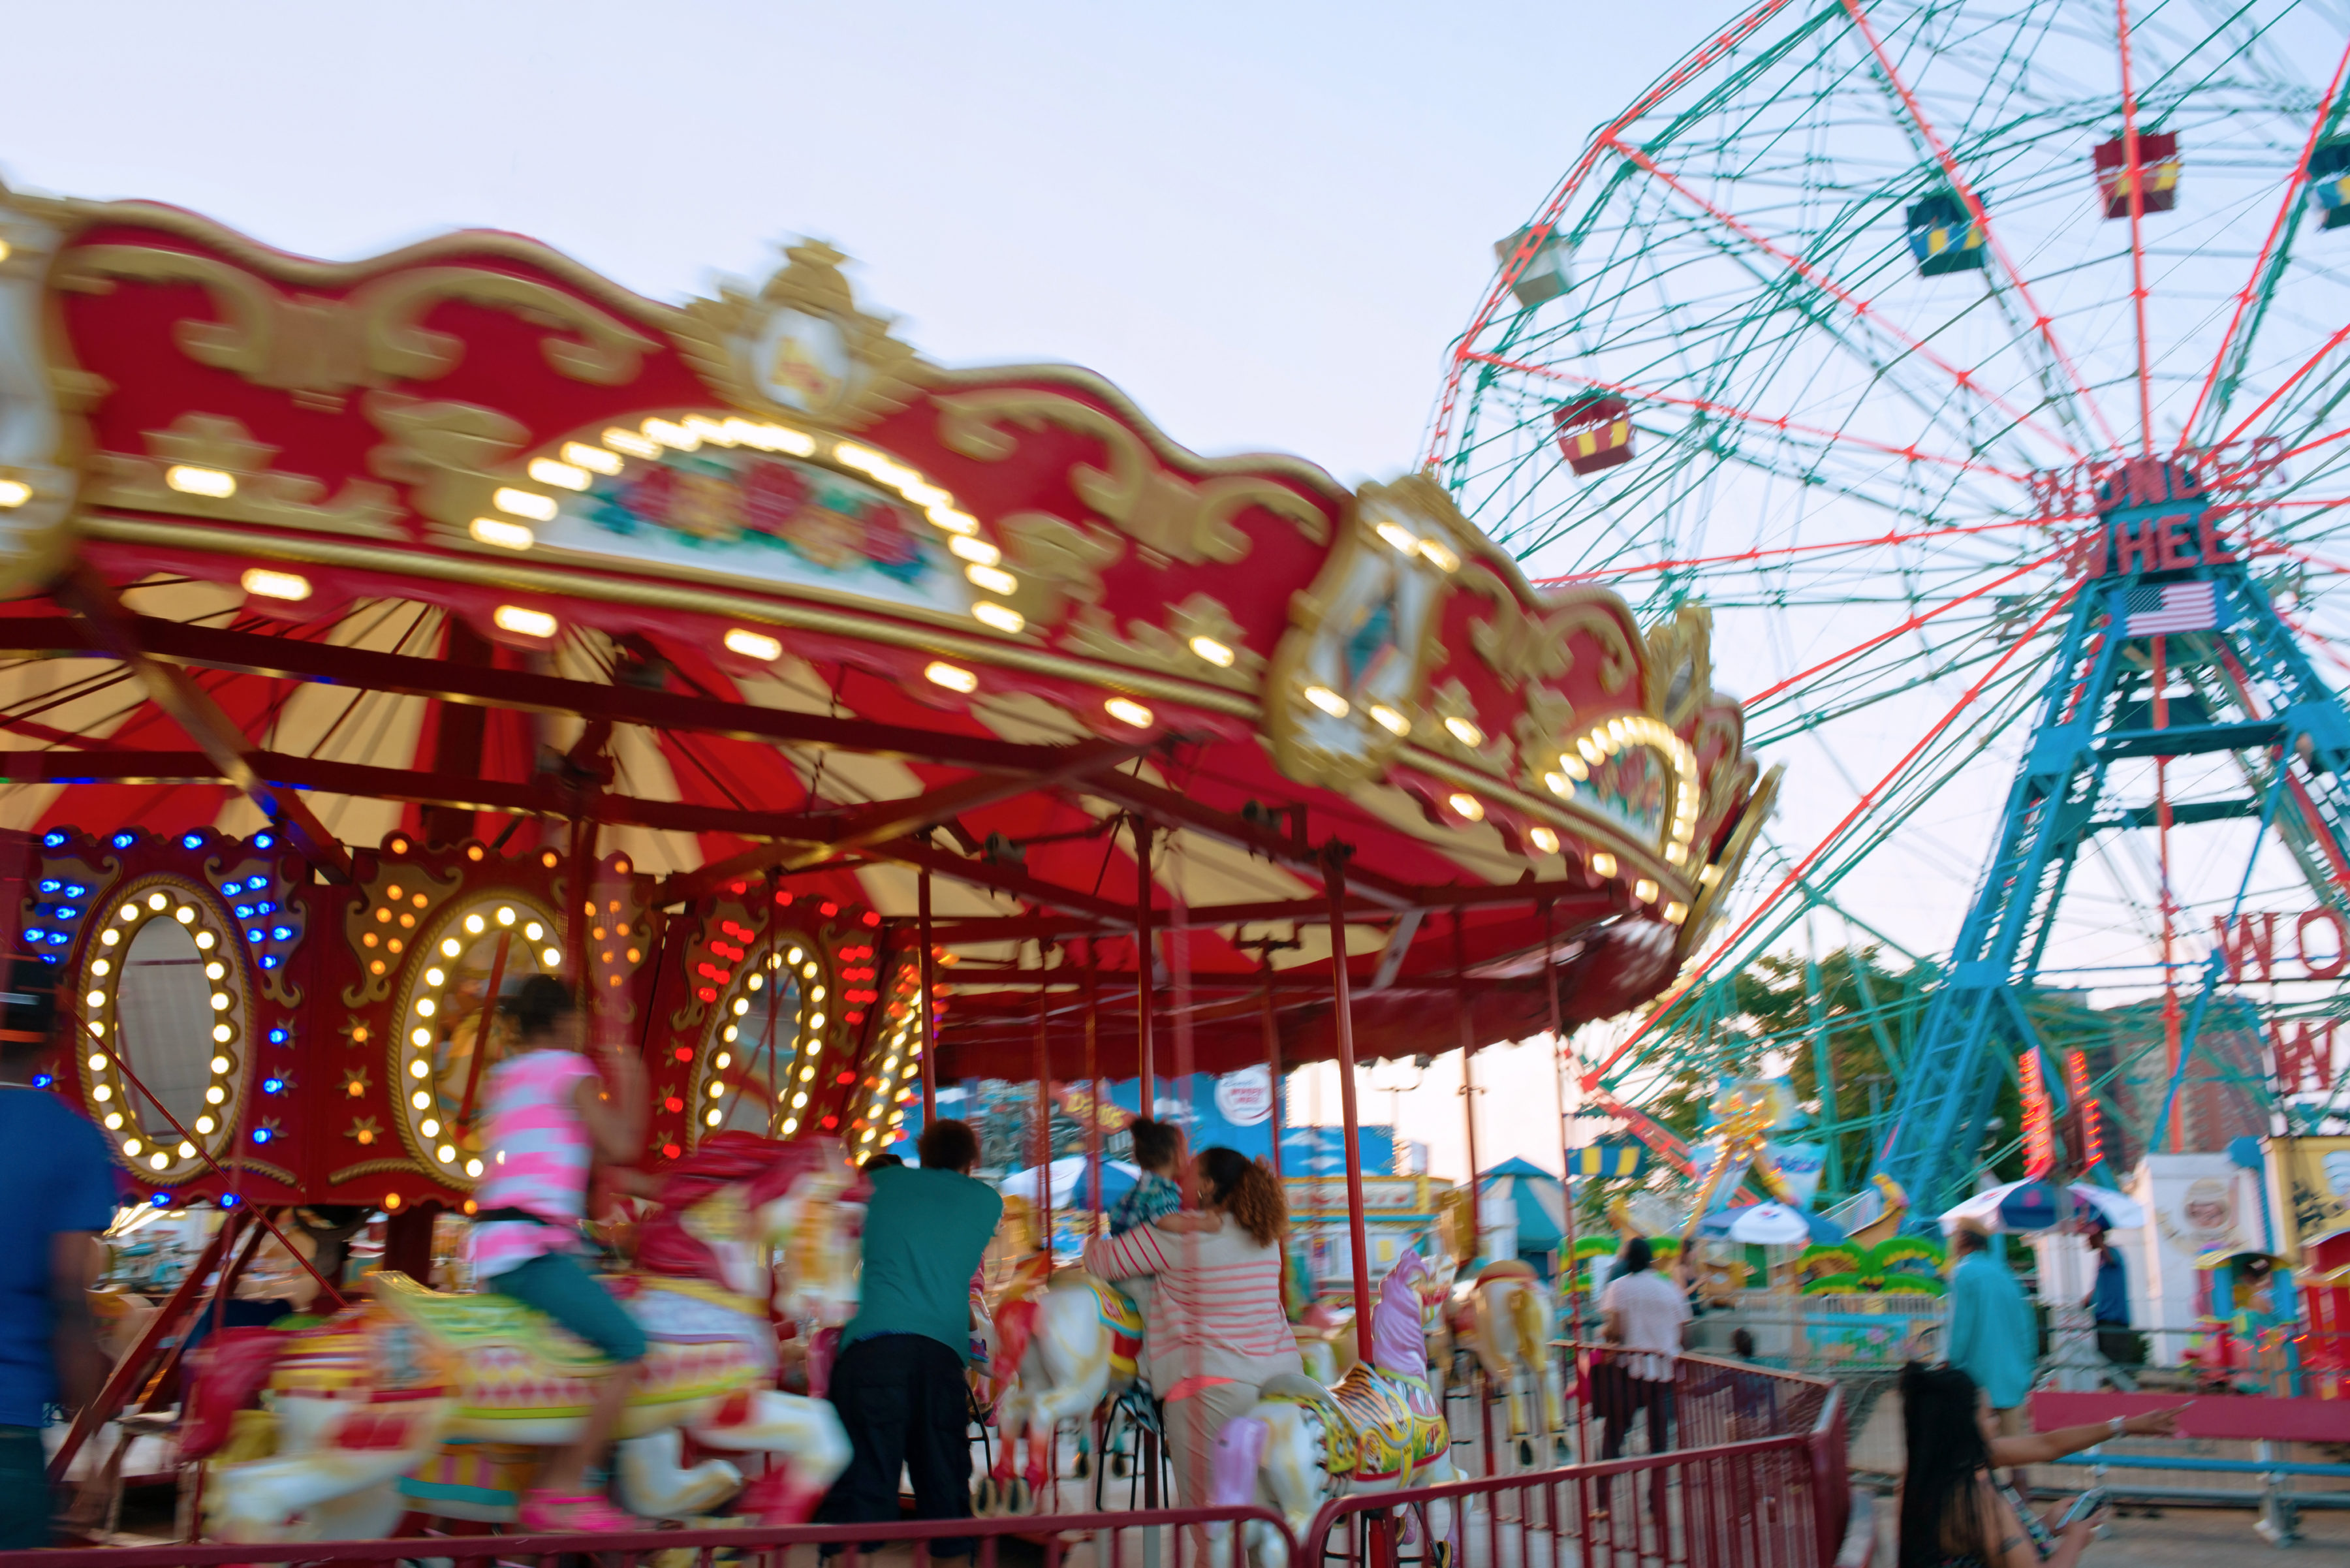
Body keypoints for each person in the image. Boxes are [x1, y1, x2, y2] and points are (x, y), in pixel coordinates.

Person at [470, 975, 648, 1532]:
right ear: (566, 1022)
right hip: (530, 1251)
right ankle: (568, 1488)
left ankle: (550, 1485)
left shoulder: (502, 1078)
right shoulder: (568, 1070)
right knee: (631, 1343)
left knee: (588, 1328)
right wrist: (634, 1077)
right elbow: (620, 1145)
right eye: (578, 1021)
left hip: (508, 1247)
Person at [1082, 1146, 1300, 1534]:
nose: (1179, 1178)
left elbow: (1101, 1260)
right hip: (1277, 1391)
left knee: (1213, 1533)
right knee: (1266, 1529)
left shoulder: (1178, 1235)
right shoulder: (1265, 1237)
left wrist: (1107, 1234)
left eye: (1189, 1173)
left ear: (1206, 1186)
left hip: (1208, 1393)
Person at [819, 1118, 1002, 1561]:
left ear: (921, 1149)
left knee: (860, 1487)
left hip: (870, 1353)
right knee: (945, 1489)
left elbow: (832, 1211)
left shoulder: (880, 1182)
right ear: (973, 1161)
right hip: (939, 1357)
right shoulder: (987, 1200)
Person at [0, 960, 116, 1548]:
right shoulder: (72, 1140)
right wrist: (92, 1448)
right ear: (55, 1038)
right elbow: (68, 1299)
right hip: (9, 1435)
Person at [1897, 1360, 2182, 1565]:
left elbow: (2046, 1445)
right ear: (1963, 1427)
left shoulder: (1939, 1470)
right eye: (1989, 1416)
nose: (1996, 1424)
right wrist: (2075, 1537)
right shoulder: (1975, 1499)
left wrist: (2043, 1526)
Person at [1598, 1235, 1689, 1459]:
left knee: (1615, 1431)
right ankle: (1656, 1489)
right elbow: (1684, 1330)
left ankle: (1605, 1482)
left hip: (1630, 1369)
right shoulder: (1669, 1288)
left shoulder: (1618, 1288)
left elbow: (1616, 1331)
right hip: (1664, 1369)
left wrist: (1606, 1334)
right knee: (1659, 1437)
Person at [1945, 1223, 2036, 1440]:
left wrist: (1951, 1362)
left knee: (1977, 1450)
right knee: (2016, 1450)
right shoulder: (2007, 1274)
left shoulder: (1963, 1273)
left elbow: (1960, 1328)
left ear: (1964, 1240)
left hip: (1978, 1378)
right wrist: (2027, 1367)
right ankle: (2019, 1476)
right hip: (2013, 1377)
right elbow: (2026, 1326)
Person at [1110, 1115, 1185, 1235]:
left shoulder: (1144, 1186)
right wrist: (1202, 1224)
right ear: (1174, 1155)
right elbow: (1166, 1221)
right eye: (1184, 1151)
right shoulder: (1162, 1189)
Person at [2081, 1225, 2135, 1369]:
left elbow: (2112, 1261)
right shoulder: (2101, 1258)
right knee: (2105, 1357)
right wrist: (2087, 1300)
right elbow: (2099, 1285)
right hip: (2102, 1316)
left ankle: (2121, 1388)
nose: (2087, 1242)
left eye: (2089, 1238)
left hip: (2115, 1316)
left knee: (2116, 1359)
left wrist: (2099, 1240)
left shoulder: (2113, 1252)